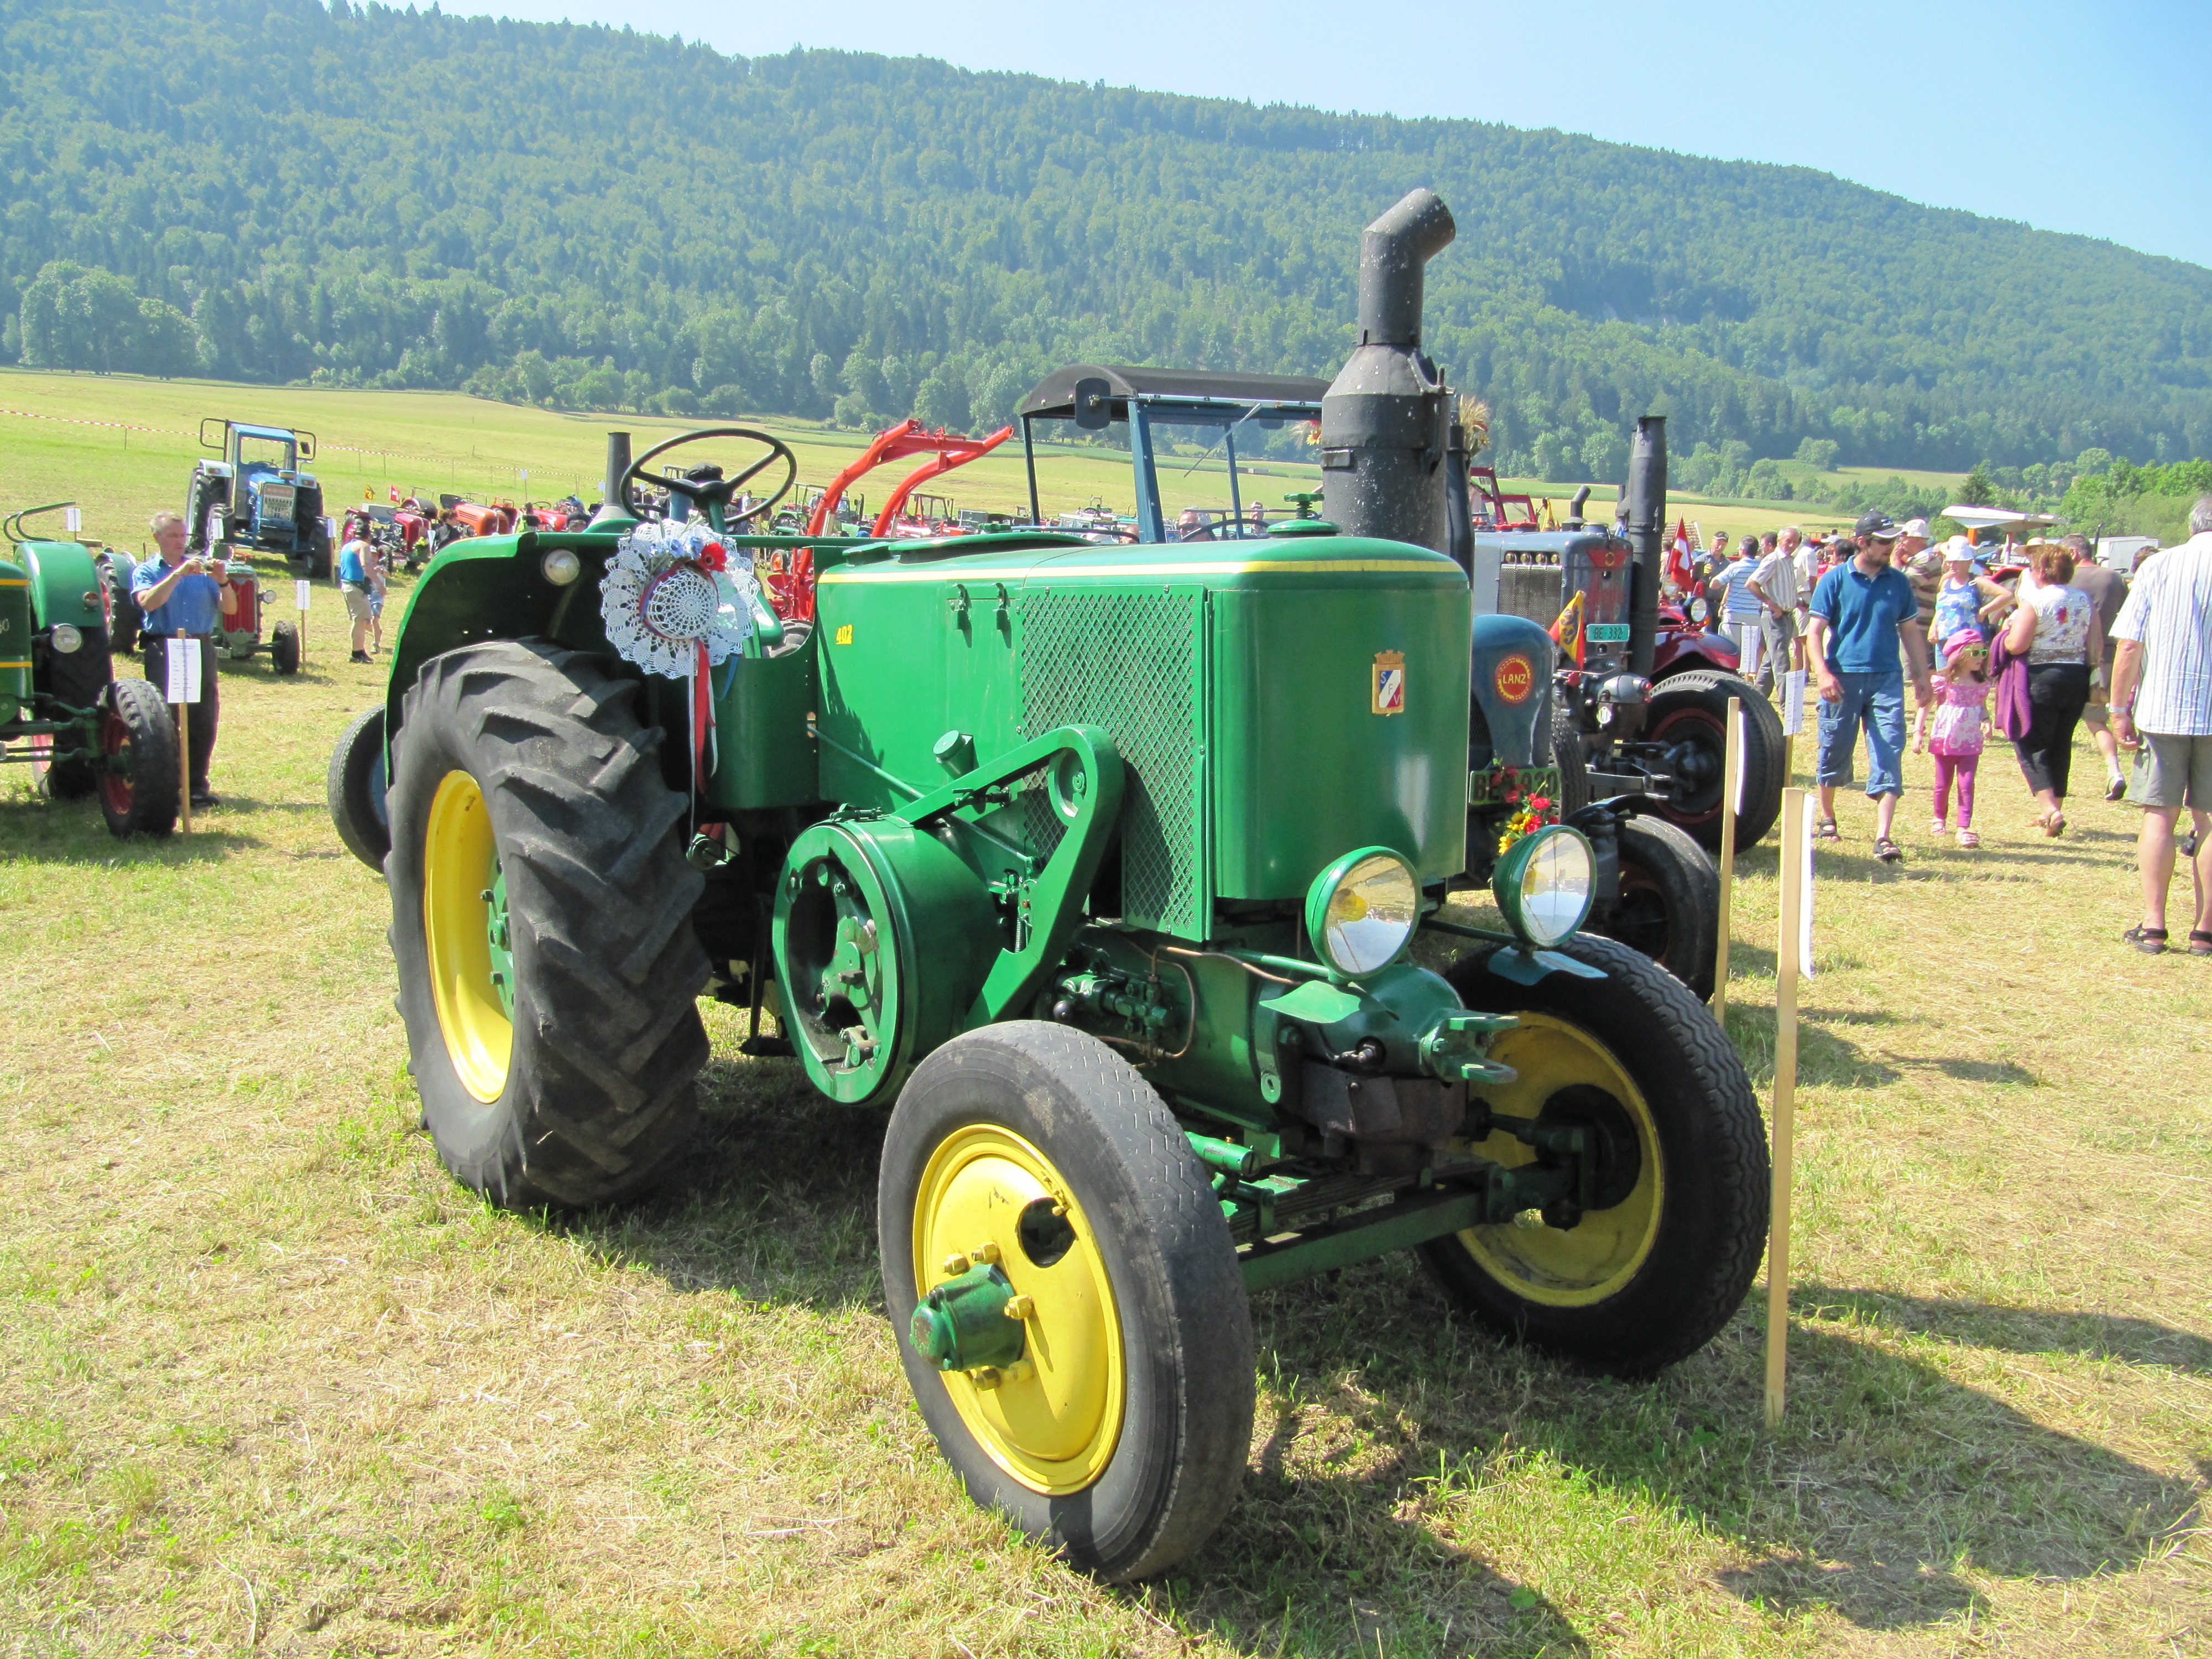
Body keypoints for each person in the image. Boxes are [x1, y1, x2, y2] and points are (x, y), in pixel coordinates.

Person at [2110, 495, 2212, 955]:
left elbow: (2129, 646)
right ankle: (2205, 930)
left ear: (2192, 525)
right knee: (2209, 821)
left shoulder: (2157, 566)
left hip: (2163, 708)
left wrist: (2118, 708)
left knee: (2159, 816)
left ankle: (2154, 926)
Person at [1805, 511, 1933, 863]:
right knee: (1833, 747)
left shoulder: (1899, 582)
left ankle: (1884, 837)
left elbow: (1910, 632)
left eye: (1894, 540)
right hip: (1843, 677)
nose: (1893, 546)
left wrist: (1922, 676)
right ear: (1863, 542)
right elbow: (1813, 633)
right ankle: (1828, 818)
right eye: (1885, 541)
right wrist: (1824, 674)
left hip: (1887, 677)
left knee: (1890, 748)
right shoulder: (1834, 580)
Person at [2001, 542, 2102, 837]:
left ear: (2042, 571)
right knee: (2061, 742)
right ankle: (2053, 809)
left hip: (2041, 677)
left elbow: (2017, 644)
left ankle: (2050, 810)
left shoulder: (2036, 601)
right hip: (2077, 676)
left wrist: (2006, 636)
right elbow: (2094, 642)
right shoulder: (2084, 600)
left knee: (2031, 742)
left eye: (2033, 568)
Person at [129, 510, 225, 808]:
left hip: (200, 646)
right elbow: (149, 602)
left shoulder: (203, 572)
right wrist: (177, 575)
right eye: (172, 536)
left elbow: (230, 609)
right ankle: (166, 784)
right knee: (163, 719)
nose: (179, 542)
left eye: (183, 536)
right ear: (157, 538)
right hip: (165, 646)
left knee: (202, 719)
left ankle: (196, 785)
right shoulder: (147, 571)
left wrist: (222, 582)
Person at [2060, 532, 2132, 801]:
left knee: (2094, 720)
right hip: (2117, 655)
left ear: (2074, 554)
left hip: (2083, 658)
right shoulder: (2115, 578)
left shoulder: (2070, 579)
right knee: (2122, 716)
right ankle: (2130, 773)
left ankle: (2113, 772)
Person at [1914, 633, 1993, 847]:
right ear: (1960, 655)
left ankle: (1964, 826)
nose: (1981, 657)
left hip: (1970, 740)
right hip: (1946, 738)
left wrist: (1986, 720)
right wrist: (1918, 732)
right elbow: (1926, 706)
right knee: (1943, 783)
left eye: (1984, 653)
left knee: (1966, 783)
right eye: (1976, 653)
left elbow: (1981, 705)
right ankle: (1939, 818)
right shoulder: (1942, 682)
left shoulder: (1980, 683)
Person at [1747, 528, 1801, 696]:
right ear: (1779, 541)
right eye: (1788, 541)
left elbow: (1782, 591)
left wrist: (1798, 602)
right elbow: (1752, 584)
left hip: (1786, 616)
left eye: (1795, 542)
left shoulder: (1788, 561)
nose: (1792, 545)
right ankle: (1787, 704)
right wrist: (1771, 603)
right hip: (1774, 617)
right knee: (1781, 661)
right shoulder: (1773, 560)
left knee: (1771, 659)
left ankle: (1758, 697)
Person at [1713, 533, 1765, 683]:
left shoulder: (1735, 567)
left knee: (1730, 650)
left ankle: (1730, 679)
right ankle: (1749, 682)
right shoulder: (1761, 567)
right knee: (1750, 652)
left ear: (1742, 550)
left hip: (1734, 614)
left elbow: (1715, 584)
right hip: (1754, 613)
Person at [338, 526, 377, 661]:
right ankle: (357, 653)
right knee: (360, 621)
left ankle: (359, 650)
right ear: (368, 537)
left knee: (360, 620)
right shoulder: (363, 545)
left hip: (347, 585)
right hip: (356, 587)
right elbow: (365, 564)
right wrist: (378, 582)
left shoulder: (347, 546)